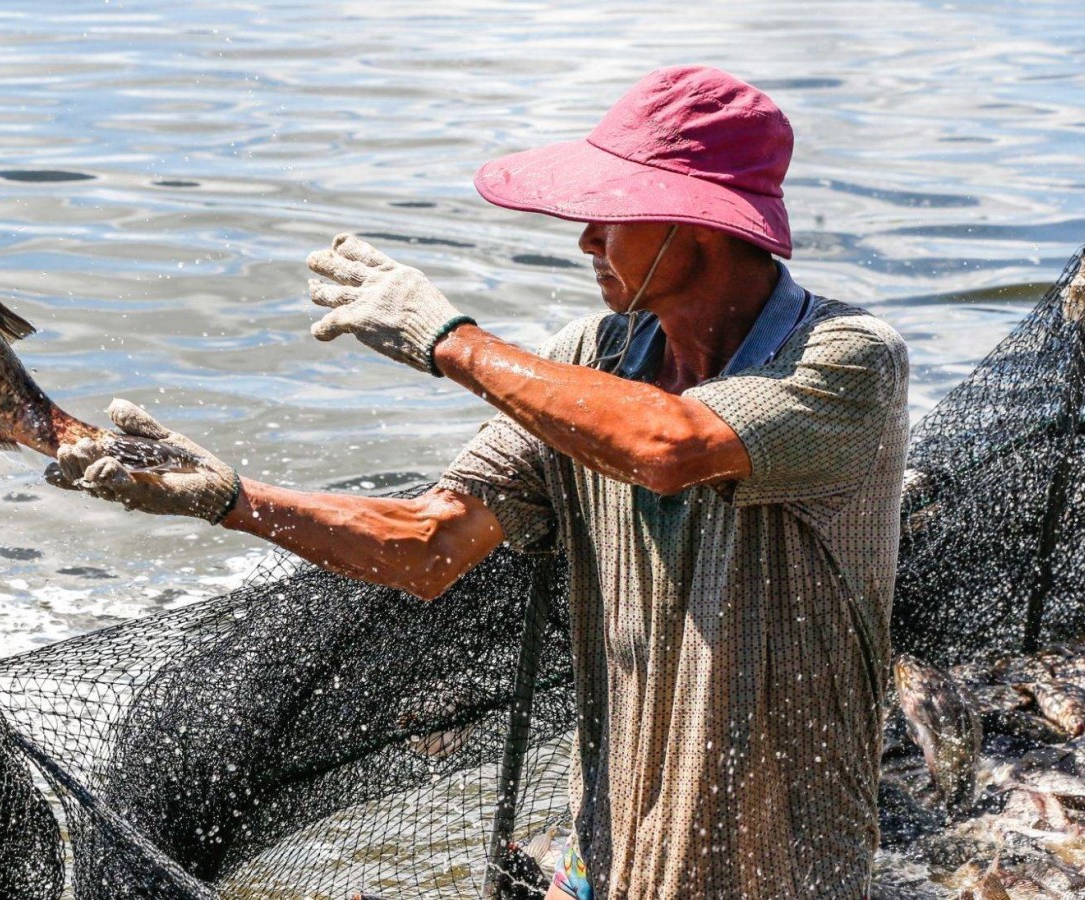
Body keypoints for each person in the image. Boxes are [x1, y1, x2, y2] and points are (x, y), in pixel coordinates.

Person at [48, 66, 909, 900]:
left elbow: (669, 444)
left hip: (784, 858)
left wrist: (448, 340)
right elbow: (429, 545)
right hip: (617, 844)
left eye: (611, 218)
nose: (585, 241)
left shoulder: (847, 360)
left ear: (700, 227)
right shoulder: (594, 359)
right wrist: (232, 499)